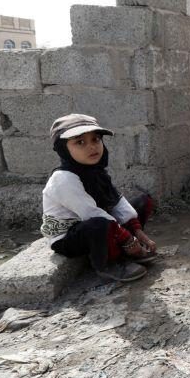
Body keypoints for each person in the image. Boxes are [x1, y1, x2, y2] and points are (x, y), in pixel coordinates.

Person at [42, 114, 157, 283]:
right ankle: (109, 263)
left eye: (95, 139)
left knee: (142, 201)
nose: (91, 147)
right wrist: (128, 238)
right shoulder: (63, 180)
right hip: (71, 237)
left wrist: (139, 234)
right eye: (80, 142)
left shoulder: (96, 171)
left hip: (101, 222)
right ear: (63, 148)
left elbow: (117, 202)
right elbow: (90, 213)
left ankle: (124, 249)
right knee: (98, 224)